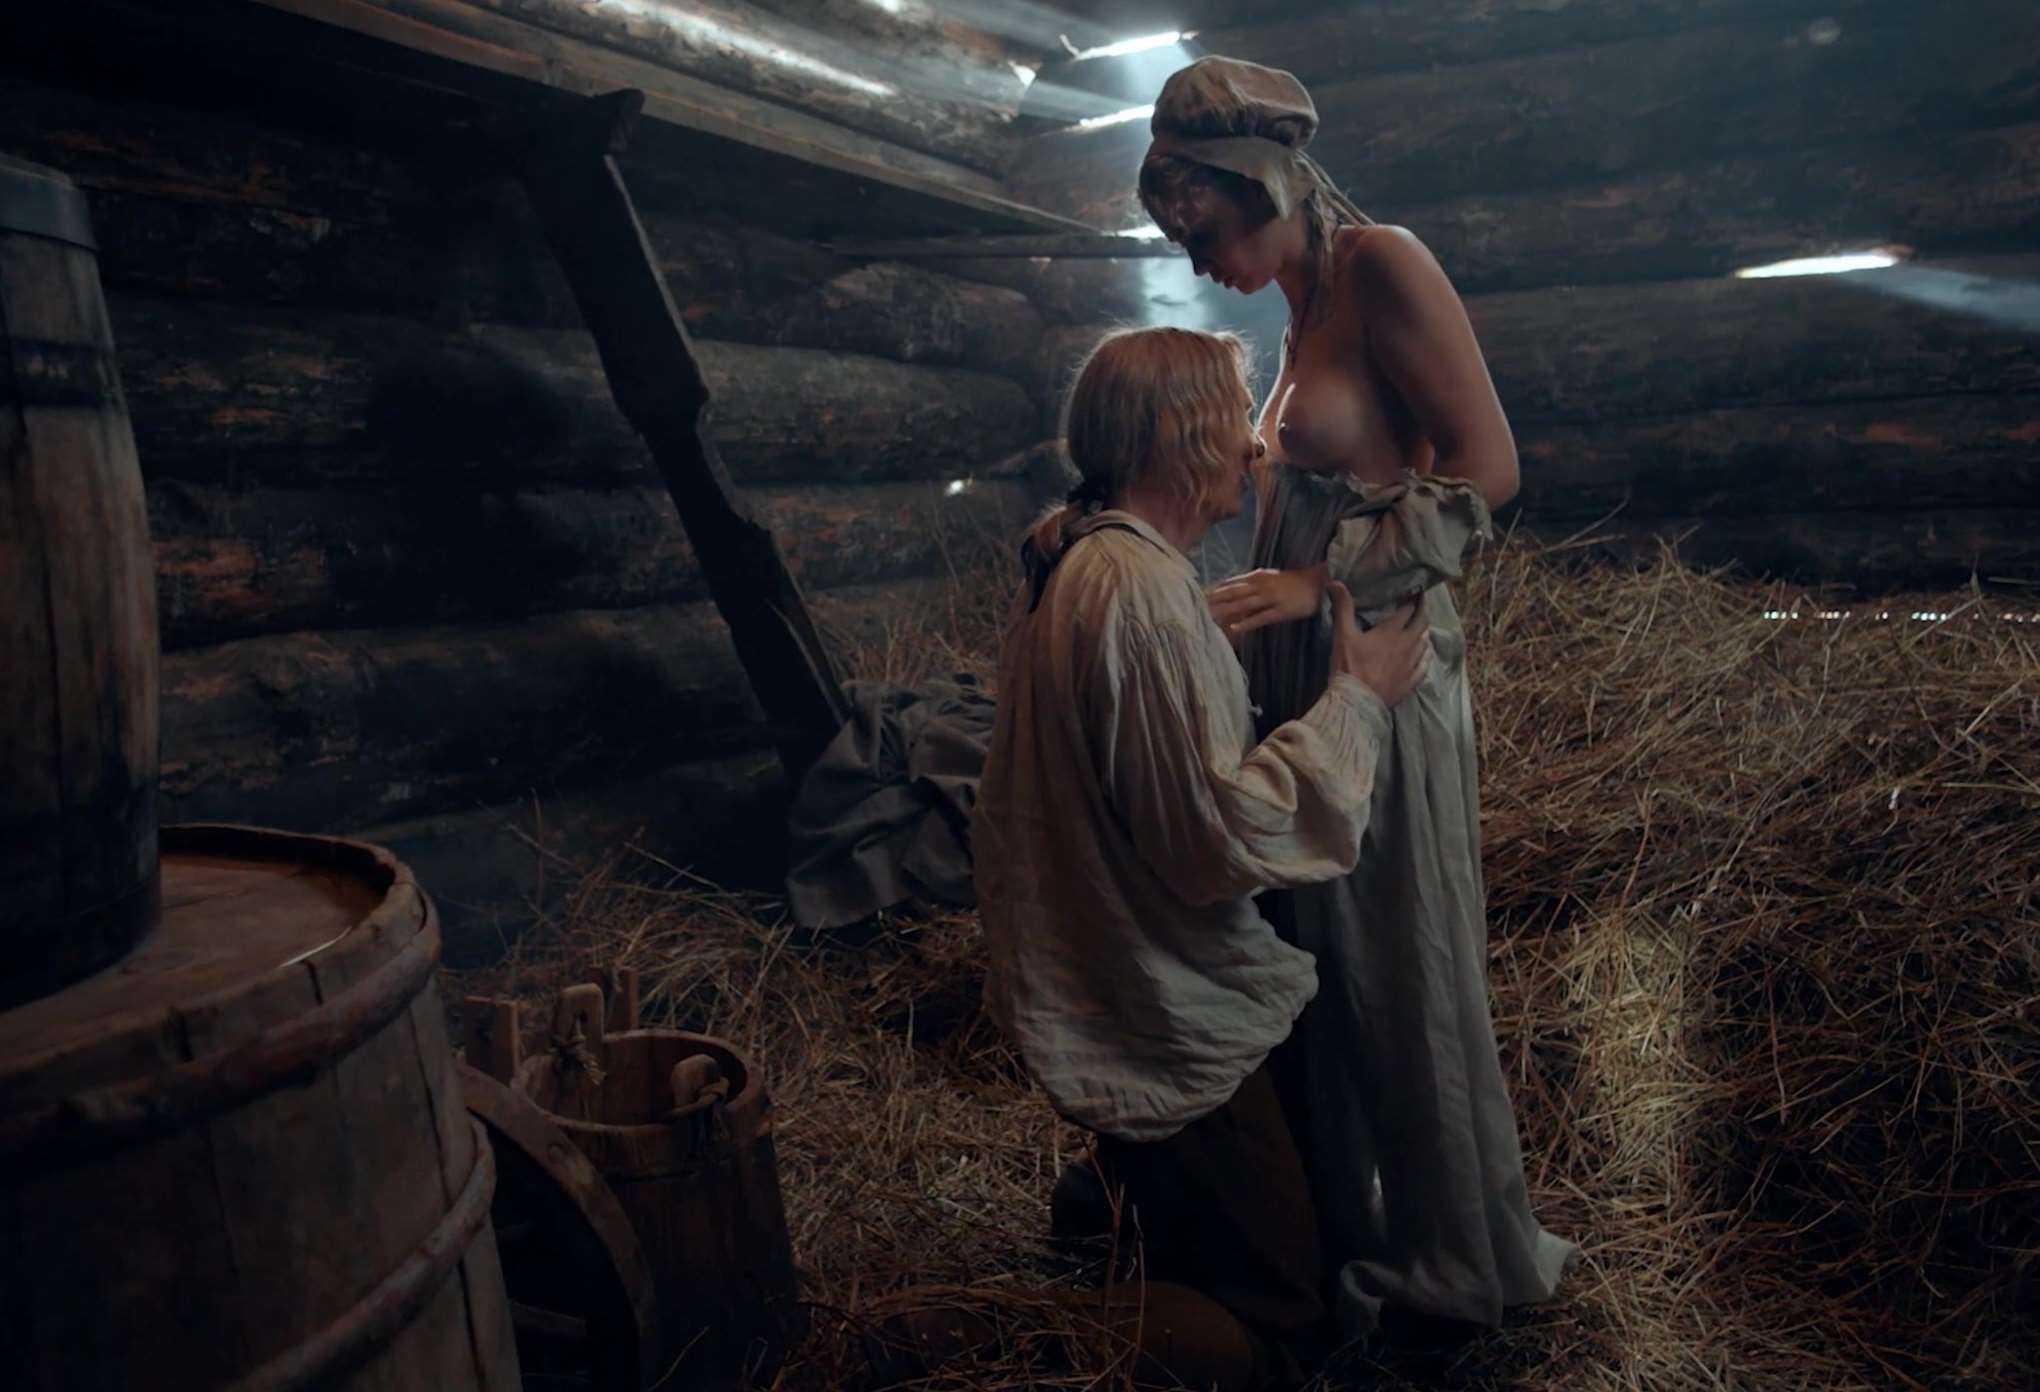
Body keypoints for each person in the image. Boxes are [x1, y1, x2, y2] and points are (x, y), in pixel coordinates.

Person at [1134, 56, 1577, 1341]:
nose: (1198, 261)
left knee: (1400, 950)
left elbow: (1490, 468)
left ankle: (1450, 1260)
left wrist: (1318, 582)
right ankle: (1353, 1231)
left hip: (1374, 640)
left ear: (1263, 186)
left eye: (1205, 232)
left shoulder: (1384, 264)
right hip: (1296, 655)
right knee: (1318, 954)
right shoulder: (1296, 303)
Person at [968, 325, 1432, 1392]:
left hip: (1124, 975)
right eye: (1235, 425)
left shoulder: (1102, 564)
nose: (1256, 450)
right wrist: (1358, 701)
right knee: (1279, 1325)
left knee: (1228, 1224)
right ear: (1180, 441)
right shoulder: (1134, 592)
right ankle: (990, 1344)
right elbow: (1216, 833)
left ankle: (1107, 1225)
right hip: (1164, 1005)